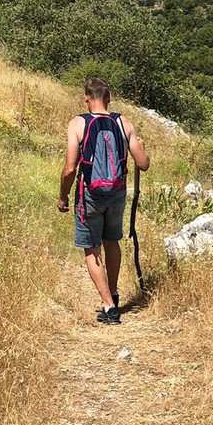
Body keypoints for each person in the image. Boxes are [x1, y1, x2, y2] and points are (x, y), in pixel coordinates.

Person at [58, 78, 150, 325]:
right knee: (112, 242)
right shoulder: (123, 122)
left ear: (86, 98)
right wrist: (142, 148)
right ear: (109, 98)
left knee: (92, 247)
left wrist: (63, 197)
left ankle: (109, 307)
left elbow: (69, 169)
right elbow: (143, 164)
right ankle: (114, 294)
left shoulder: (77, 123)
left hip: (89, 193)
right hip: (117, 193)